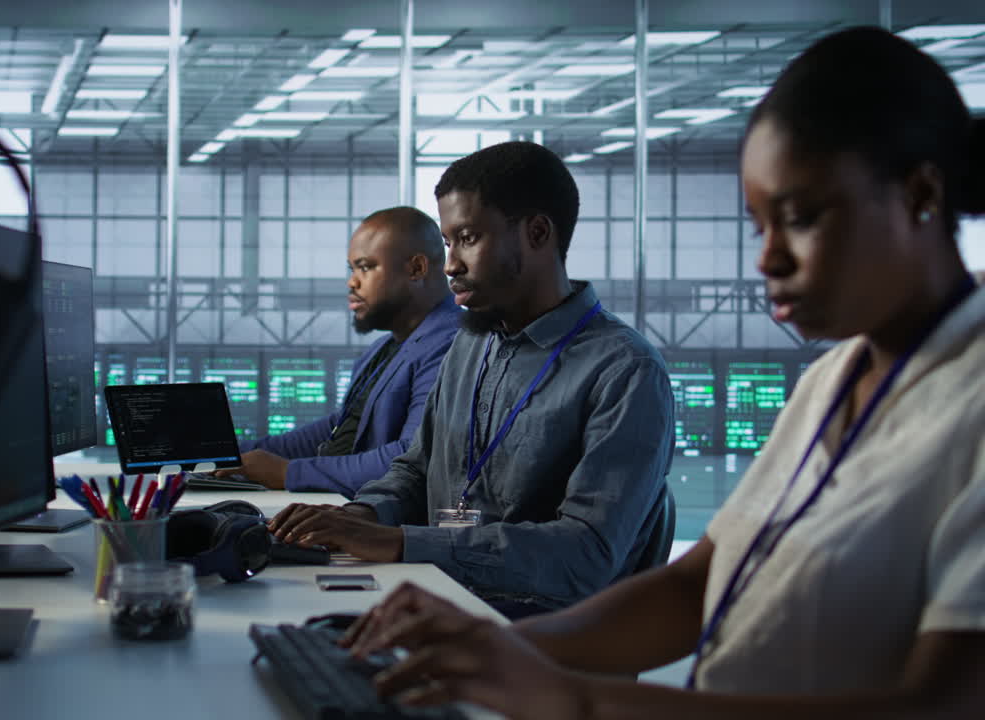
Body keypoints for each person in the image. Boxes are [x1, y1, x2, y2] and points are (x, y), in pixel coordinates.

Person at [334, 26, 985, 719]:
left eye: (799, 219)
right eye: (758, 226)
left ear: (921, 194)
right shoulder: (835, 379)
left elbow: (940, 705)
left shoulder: (968, 402)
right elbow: (697, 587)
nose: (767, 260)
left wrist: (572, 697)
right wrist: (500, 645)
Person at [270, 141, 676, 618]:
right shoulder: (470, 344)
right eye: (447, 242)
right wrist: (359, 517)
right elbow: (415, 469)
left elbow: (584, 552)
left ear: (538, 233)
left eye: (467, 238)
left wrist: (399, 541)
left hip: (535, 642)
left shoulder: (625, 370)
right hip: (436, 602)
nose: (450, 265)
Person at [215, 207, 459, 497]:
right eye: (352, 269)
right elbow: (340, 427)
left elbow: (413, 455)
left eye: (366, 267)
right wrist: (232, 456)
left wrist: (288, 473)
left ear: (416, 269)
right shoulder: (384, 348)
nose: (352, 282)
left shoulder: (451, 343)